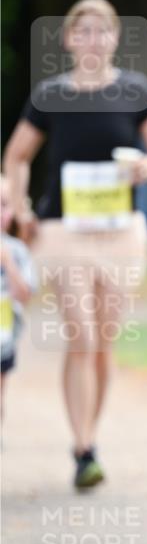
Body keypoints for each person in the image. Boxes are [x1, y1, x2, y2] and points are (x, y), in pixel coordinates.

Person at [3, 0, 147, 488]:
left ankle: (92, 435)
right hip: (63, 231)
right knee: (79, 334)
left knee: (102, 342)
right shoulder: (50, 95)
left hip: (120, 233)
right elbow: (16, 156)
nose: (92, 40)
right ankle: (82, 448)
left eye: (102, 31)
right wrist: (19, 209)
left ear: (116, 38)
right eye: (83, 31)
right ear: (68, 39)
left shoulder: (135, 91)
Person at [1, 174, 35, 421]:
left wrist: (8, 263)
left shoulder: (18, 250)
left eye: (3, 204)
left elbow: (25, 295)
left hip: (4, 332)